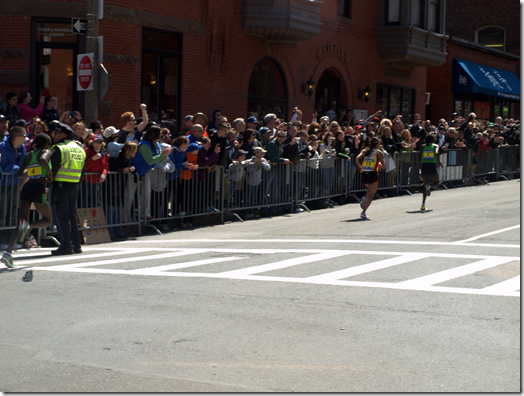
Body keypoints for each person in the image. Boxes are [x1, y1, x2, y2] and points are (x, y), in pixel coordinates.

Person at [1, 134, 54, 268]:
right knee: (48, 220)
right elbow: (42, 159)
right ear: (47, 144)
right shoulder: (46, 152)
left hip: (27, 188)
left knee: (20, 223)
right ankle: (29, 226)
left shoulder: (28, 155)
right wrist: (50, 174)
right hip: (38, 188)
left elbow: (19, 174)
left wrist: (30, 171)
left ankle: (7, 253)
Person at [49, 121, 86, 255]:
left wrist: (47, 186)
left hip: (60, 186)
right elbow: (82, 171)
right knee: (72, 216)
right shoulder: (79, 149)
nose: (53, 135)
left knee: (61, 217)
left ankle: (65, 245)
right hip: (74, 186)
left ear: (63, 134)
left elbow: (51, 171)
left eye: (56, 133)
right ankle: (76, 245)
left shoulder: (59, 148)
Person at [133, 125, 172, 220]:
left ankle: (146, 214)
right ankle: (129, 218)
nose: (162, 135)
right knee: (131, 196)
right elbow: (150, 160)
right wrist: (162, 155)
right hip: (136, 172)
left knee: (147, 193)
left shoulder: (156, 144)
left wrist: (164, 155)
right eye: (160, 133)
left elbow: (160, 160)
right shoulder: (144, 145)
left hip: (147, 171)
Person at [0, 126, 27, 250]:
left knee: (12, 213)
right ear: (17, 137)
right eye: (24, 136)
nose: (26, 138)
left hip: (16, 184)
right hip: (4, 184)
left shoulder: (23, 148)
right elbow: (4, 166)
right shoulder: (2, 146)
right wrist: (21, 170)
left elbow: (24, 164)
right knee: (3, 212)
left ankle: (10, 241)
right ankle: (1, 241)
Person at [356, 137, 385, 220]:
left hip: (364, 173)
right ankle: (363, 212)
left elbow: (357, 158)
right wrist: (379, 164)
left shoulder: (365, 150)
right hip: (373, 173)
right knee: (372, 195)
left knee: (371, 190)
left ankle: (365, 198)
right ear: (378, 144)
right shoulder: (379, 152)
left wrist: (359, 166)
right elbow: (383, 167)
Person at [79, 134, 108, 208]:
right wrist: (92, 159)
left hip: (96, 182)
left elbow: (106, 166)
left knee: (94, 203)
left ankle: (92, 219)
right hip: (86, 181)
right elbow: (82, 166)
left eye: (99, 142)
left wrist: (104, 173)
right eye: (95, 142)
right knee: (83, 203)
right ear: (92, 142)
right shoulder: (86, 151)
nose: (97, 144)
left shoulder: (104, 153)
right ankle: (83, 219)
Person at [419, 134, 442, 211]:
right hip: (432, 165)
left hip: (424, 165)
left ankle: (423, 204)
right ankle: (430, 186)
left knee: (425, 184)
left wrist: (421, 159)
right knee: (437, 182)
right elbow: (436, 153)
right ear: (433, 139)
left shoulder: (423, 146)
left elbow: (419, 157)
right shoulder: (436, 146)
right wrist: (439, 161)